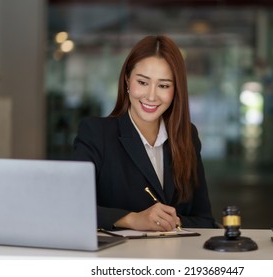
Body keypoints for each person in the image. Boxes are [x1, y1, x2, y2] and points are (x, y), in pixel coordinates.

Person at [73, 35, 217, 231]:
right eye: (142, 82)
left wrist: (170, 222)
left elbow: (204, 221)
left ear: (176, 91)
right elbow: (74, 208)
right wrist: (132, 219)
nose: (151, 96)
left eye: (164, 86)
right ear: (127, 80)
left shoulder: (187, 136)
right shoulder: (96, 133)